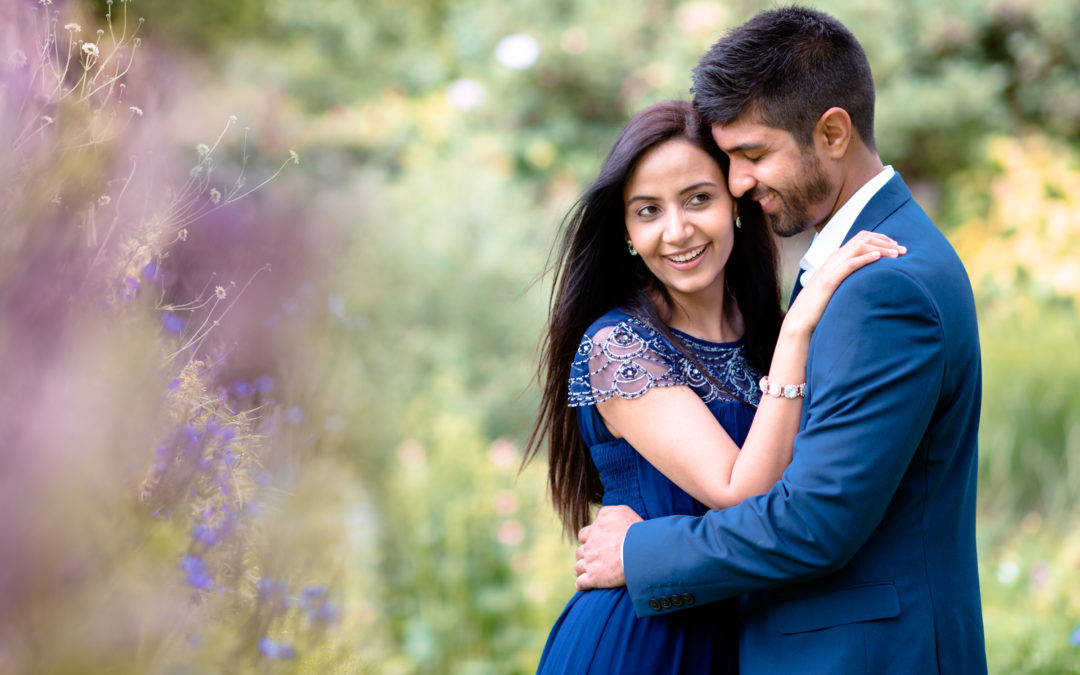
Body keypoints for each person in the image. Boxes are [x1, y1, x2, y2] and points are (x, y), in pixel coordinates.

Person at [573, 7, 988, 674]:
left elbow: (813, 521)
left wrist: (641, 551)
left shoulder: (883, 286)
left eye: (753, 155)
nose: (740, 183)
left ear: (831, 133)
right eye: (648, 209)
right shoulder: (851, 266)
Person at [525, 98, 904, 673]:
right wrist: (799, 329)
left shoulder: (761, 333)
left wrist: (786, 332)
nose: (676, 232)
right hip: (641, 641)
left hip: (743, 641)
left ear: (736, 204)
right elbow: (739, 490)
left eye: (698, 199)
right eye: (647, 211)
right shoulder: (620, 347)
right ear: (626, 231)